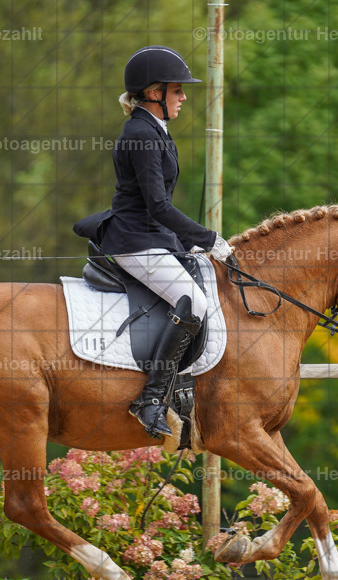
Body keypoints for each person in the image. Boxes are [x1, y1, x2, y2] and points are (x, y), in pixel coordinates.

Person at [101, 45, 232, 439]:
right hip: (134, 241)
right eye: (177, 90)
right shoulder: (141, 133)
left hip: (152, 237)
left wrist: (183, 243)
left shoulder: (154, 128)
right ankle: (151, 398)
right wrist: (208, 239)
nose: (184, 97)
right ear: (154, 92)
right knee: (195, 304)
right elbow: (158, 205)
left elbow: (157, 205)